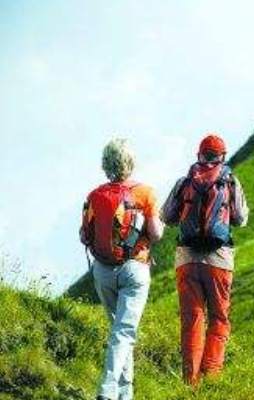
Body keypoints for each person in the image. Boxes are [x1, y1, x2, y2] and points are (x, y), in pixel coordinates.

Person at [161, 133, 249, 386]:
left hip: (187, 258)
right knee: (219, 319)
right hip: (219, 259)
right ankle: (213, 377)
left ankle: (192, 383)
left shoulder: (184, 181)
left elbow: (166, 216)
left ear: (199, 155)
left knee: (192, 319)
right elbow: (241, 218)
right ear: (222, 157)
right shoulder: (230, 181)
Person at [80, 138, 164, 400]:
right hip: (134, 269)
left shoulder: (94, 195)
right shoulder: (146, 193)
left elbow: (84, 235)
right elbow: (157, 234)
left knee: (121, 333)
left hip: (103, 271)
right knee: (124, 332)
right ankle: (107, 390)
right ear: (131, 162)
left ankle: (124, 395)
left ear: (106, 164)